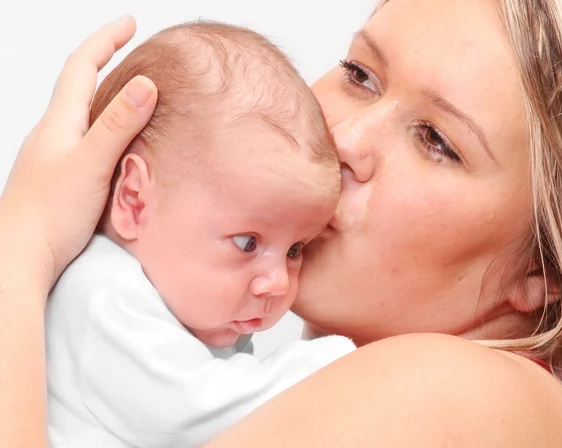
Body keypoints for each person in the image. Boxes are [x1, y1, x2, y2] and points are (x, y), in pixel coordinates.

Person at [2, 0, 562, 446]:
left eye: (437, 142)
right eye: (360, 75)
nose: (340, 140)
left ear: (544, 268)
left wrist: (23, 241)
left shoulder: (461, 393)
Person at [46, 21, 354, 448]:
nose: (279, 282)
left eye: (296, 248)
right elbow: (201, 414)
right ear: (134, 200)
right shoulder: (103, 296)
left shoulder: (184, 314)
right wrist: (344, 363)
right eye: (248, 243)